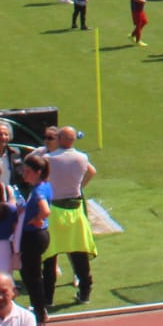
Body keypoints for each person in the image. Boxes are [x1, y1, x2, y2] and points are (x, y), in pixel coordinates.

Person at [43, 126, 98, 307]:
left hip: (55, 210)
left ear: (59, 139)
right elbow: (90, 171)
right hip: (75, 209)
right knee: (79, 253)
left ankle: (48, 298)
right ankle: (85, 293)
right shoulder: (82, 157)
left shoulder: (48, 159)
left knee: (50, 257)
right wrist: (79, 186)